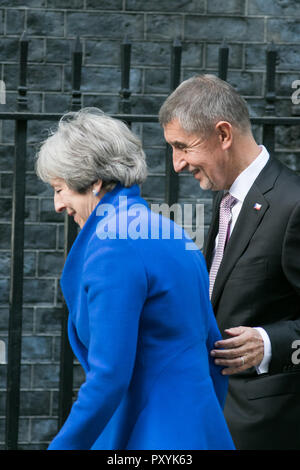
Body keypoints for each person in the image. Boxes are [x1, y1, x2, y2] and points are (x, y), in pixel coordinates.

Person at [35, 107, 234, 450]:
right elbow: (213, 353)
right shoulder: (172, 232)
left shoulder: (113, 243)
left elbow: (109, 377)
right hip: (201, 431)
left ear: (95, 182)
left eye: (60, 188)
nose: (58, 204)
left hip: (147, 436)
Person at [159, 74, 300, 450]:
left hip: (267, 431)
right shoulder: (227, 199)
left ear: (223, 135)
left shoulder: (293, 204)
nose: (177, 164)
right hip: (212, 420)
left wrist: (271, 344)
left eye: (182, 147)